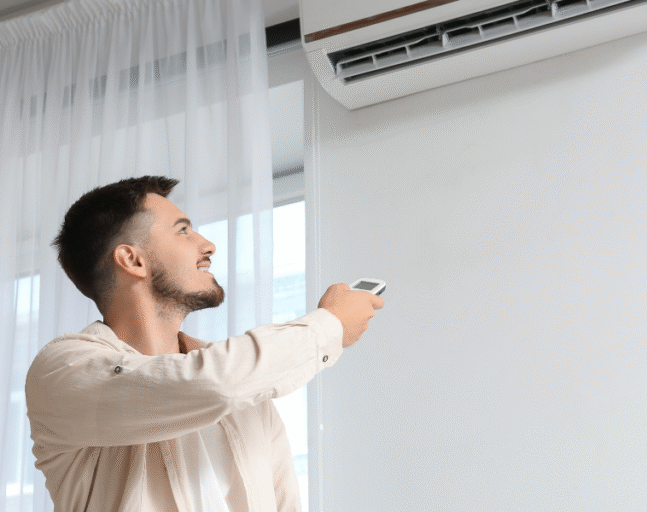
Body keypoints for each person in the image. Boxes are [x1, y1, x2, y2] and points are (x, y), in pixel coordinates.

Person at [26, 176, 384, 512]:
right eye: (183, 231)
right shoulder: (63, 369)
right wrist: (329, 325)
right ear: (133, 260)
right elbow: (211, 384)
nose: (207, 245)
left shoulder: (249, 394)